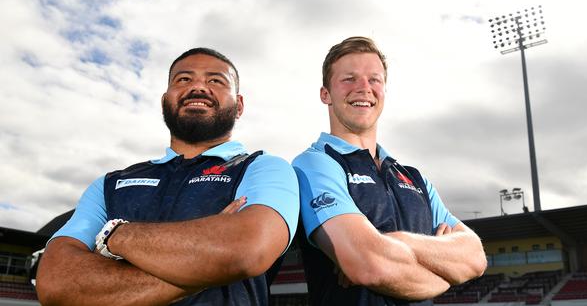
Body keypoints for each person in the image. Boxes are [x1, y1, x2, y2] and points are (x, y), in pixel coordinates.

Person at [36, 48, 300, 306]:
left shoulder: (264, 168)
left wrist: (115, 236)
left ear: (239, 105)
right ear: (165, 100)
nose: (198, 87)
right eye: (184, 79)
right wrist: (211, 260)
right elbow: (56, 284)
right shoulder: (109, 184)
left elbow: (247, 251)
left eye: (215, 80)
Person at [293, 37, 487, 305]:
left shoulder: (413, 178)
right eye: (349, 79)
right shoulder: (315, 164)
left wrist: (388, 241)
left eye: (374, 80)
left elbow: (475, 257)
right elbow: (368, 265)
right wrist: (444, 272)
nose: (364, 88)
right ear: (325, 94)